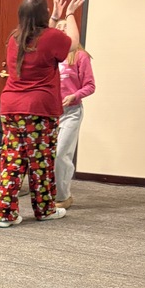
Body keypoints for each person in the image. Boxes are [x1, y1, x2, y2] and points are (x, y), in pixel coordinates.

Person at [0, 0, 84, 228]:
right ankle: (44, 210)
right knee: (41, 161)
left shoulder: (15, 38)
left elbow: (43, 37)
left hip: (11, 108)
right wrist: (71, 14)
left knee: (13, 161)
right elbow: (72, 45)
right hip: (38, 110)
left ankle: (6, 214)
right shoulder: (52, 37)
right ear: (43, 14)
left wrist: (53, 17)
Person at [53, 25, 95, 208]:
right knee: (50, 155)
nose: (62, 32)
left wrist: (74, 96)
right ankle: (51, 193)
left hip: (71, 113)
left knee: (62, 153)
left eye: (66, 28)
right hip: (51, 113)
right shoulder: (52, 57)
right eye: (59, 28)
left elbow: (90, 85)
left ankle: (63, 197)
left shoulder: (80, 56)